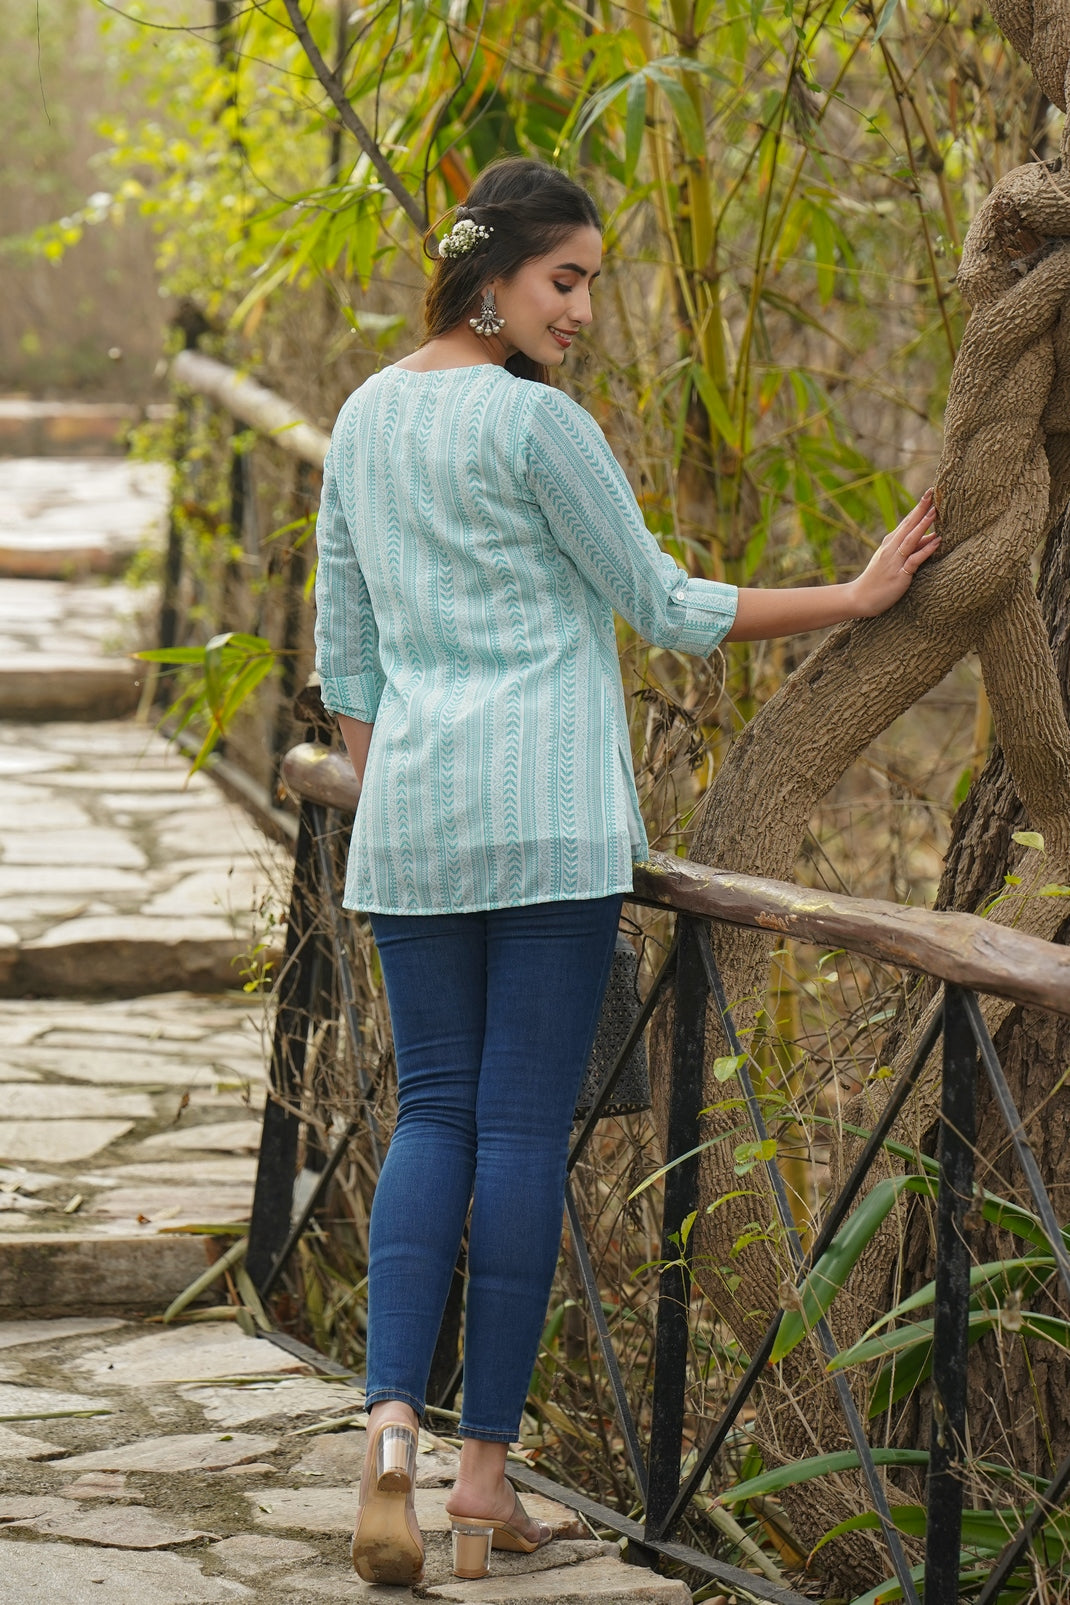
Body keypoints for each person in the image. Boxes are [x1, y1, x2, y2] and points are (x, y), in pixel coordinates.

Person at [313, 157, 939, 1586]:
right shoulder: (538, 428)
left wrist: (391, 779)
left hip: (408, 820)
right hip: (544, 819)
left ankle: (389, 1435)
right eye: (565, 279)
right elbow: (659, 605)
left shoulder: (362, 416)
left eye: (588, 282)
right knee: (521, 1137)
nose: (583, 310)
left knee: (433, 1116)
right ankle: (485, 1479)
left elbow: (345, 657)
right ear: (491, 279)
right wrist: (851, 595)